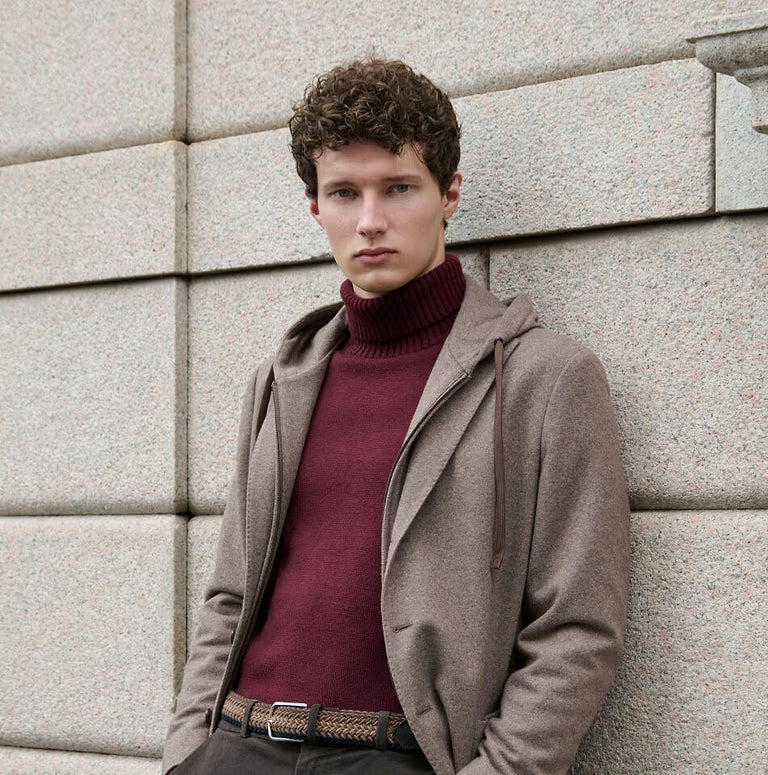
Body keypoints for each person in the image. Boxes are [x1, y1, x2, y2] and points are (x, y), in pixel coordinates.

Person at [163, 58, 630, 775]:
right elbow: (230, 592)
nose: (371, 221)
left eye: (399, 188)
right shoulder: (282, 380)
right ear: (316, 208)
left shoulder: (546, 378)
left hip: (396, 755)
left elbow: (578, 624)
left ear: (449, 195)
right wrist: (187, 750)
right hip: (239, 745)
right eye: (344, 193)